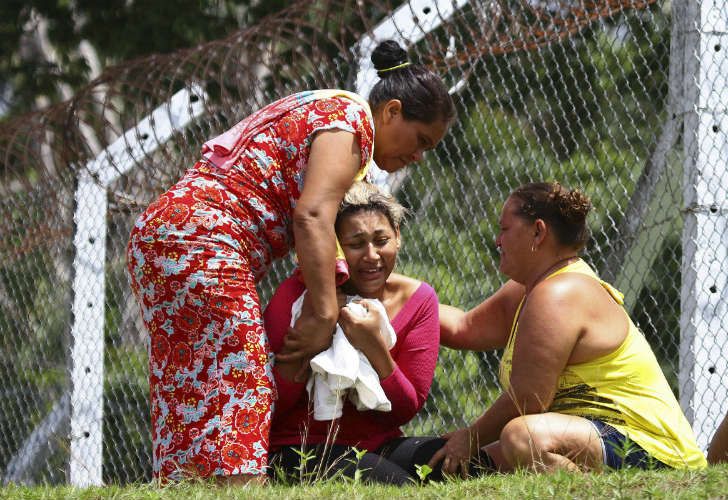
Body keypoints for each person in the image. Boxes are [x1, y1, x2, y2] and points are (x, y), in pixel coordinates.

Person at [126, 40, 455, 483]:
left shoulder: (330, 109)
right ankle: (239, 487)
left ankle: (183, 485)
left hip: (163, 234)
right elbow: (314, 214)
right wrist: (322, 311)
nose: (418, 156)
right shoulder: (350, 126)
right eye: (421, 142)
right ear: (392, 112)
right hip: (203, 239)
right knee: (243, 379)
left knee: (190, 380)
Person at [430, 181, 707, 475]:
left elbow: (528, 397)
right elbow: (464, 327)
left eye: (505, 229)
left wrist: (471, 437)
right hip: (596, 440)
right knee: (476, 464)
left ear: (538, 231)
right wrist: (392, 297)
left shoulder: (559, 293)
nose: (498, 241)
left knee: (522, 437)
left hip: (653, 451)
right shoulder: (531, 288)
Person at [264, 182, 443, 485]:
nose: (372, 256)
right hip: (298, 447)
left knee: (461, 462)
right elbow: (268, 408)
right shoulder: (296, 296)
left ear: (397, 237)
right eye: (356, 244)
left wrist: (373, 346)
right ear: (334, 247)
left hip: (378, 444)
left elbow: (404, 410)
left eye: (381, 240)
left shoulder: (420, 299)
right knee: (399, 487)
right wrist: (312, 344)